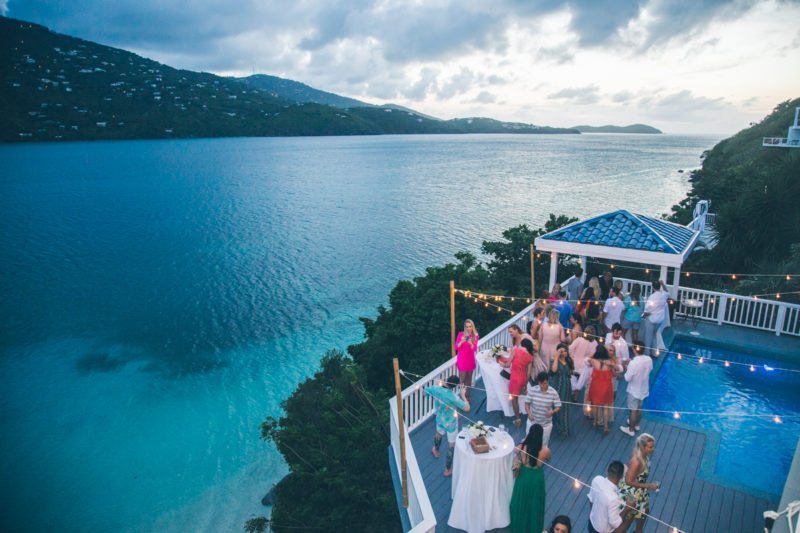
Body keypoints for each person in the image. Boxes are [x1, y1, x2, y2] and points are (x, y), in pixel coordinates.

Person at [510, 424, 550, 533]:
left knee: (521, 502)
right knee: (535, 504)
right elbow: (549, 458)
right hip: (537, 478)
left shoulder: (522, 447)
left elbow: (513, 449)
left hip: (524, 476)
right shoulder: (545, 450)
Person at [427, 375, 470, 477]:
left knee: (438, 434)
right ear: (454, 387)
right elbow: (467, 408)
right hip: (451, 423)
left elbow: (426, 391)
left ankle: (436, 450)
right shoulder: (453, 397)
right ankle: (447, 470)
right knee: (451, 445)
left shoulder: (436, 389)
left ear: (446, 380)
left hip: (440, 419)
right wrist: (463, 395)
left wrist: (438, 384)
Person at [618, 434, 660, 533]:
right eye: (650, 447)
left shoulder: (643, 455)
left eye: (653, 446)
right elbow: (628, 481)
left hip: (639, 491)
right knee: (628, 521)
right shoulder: (637, 461)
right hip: (632, 493)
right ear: (642, 447)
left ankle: (638, 531)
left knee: (644, 512)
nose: (653, 449)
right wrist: (649, 486)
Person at [619, 341, 653, 437]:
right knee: (639, 408)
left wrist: (626, 366)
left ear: (634, 350)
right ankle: (637, 425)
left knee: (633, 410)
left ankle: (631, 429)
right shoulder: (649, 359)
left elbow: (627, 378)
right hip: (644, 389)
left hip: (634, 390)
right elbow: (649, 369)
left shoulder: (633, 363)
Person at [588, 461, 628, 533]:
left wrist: (596, 515)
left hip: (591, 523)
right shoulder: (614, 498)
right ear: (621, 476)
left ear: (607, 470)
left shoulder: (597, 479)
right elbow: (615, 523)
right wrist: (627, 509)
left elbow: (591, 500)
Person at [525, 371, 561, 447]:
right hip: (532, 422)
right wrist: (529, 413)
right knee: (528, 441)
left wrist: (552, 411)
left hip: (545, 425)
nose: (542, 386)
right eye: (540, 383)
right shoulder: (533, 390)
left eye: (544, 383)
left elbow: (558, 406)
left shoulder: (553, 392)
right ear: (538, 382)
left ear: (548, 381)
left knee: (543, 445)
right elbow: (527, 404)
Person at [587, 345, 616, 434]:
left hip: (596, 385)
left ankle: (595, 421)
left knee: (595, 405)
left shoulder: (593, 361)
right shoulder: (609, 362)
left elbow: (589, 358)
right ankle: (606, 427)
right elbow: (615, 372)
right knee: (606, 407)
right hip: (606, 386)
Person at [550, 343, 573, 437]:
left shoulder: (569, 361)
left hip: (566, 386)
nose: (564, 353)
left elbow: (570, 372)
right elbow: (554, 370)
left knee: (564, 407)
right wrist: (556, 357)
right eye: (561, 351)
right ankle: (557, 425)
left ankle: (564, 429)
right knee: (554, 406)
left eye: (565, 351)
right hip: (557, 386)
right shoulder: (555, 361)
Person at [641, 280, 670, 357]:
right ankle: (654, 352)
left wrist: (642, 316)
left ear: (653, 287)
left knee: (648, 337)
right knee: (654, 335)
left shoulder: (652, 297)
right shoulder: (663, 295)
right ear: (659, 286)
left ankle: (647, 354)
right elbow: (667, 292)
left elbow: (647, 311)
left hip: (651, 319)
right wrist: (663, 284)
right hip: (660, 319)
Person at [510, 338, 534, 427]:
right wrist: (525, 385)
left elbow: (508, 364)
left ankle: (517, 419)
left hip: (515, 379)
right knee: (520, 397)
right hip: (523, 379)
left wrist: (500, 362)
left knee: (514, 399)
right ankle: (528, 412)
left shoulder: (515, 350)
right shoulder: (530, 357)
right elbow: (528, 373)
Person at [569, 324, 597, 399]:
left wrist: (572, 357)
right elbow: (594, 355)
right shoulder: (594, 343)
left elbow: (570, 348)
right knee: (581, 381)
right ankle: (576, 395)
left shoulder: (579, 340)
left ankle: (574, 393)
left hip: (576, 363)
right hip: (584, 365)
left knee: (574, 379)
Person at [454, 319, 479, 399]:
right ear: (465, 327)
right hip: (462, 359)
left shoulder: (475, 336)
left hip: (470, 359)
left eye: (470, 326)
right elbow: (456, 347)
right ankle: (462, 397)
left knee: (469, 378)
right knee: (462, 379)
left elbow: (474, 349)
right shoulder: (461, 334)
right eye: (467, 326)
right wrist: (461, 341)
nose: (468, 328)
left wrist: (471, 343)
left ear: (472, 326)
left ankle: (467, 395)